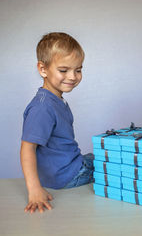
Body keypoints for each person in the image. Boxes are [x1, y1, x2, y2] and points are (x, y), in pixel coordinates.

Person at [20, 32, 94, 214]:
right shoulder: (43, 107)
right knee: (112, 161)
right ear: (43, 69)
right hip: (68, 175)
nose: (73, 76)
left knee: (96, 156)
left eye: (78, 70)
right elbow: (27, 148)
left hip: (63, 169)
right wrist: (34, 189)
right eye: (64, 70)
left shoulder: (54, 100)